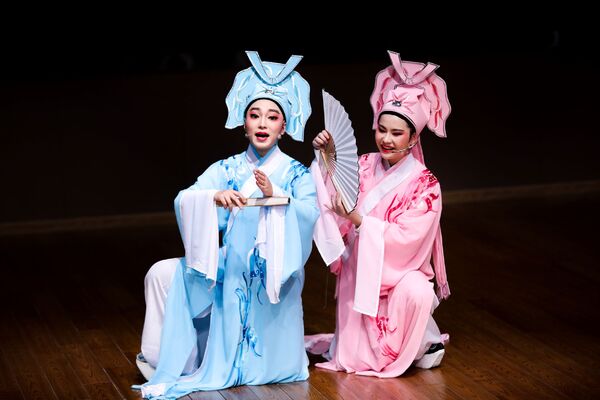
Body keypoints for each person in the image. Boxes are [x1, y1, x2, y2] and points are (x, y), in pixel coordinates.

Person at [134, 51, 319, 399]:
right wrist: (214, 197)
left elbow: (310, 215)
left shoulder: (296, 174)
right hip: (227, 264)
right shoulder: (226, 168)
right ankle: (166, 360)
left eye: (272, 117)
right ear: (244, 122)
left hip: (271, 273)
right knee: (161, 273)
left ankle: (255, 363)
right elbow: (185, 198)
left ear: (284, 126)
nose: (262, 123)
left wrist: (277, 196)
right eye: (254, 115)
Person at [306, 50, 451, 377]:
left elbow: (407, 239)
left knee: (417, 289)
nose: (386, 139)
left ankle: (420, 342)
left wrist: (359, 221)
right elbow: (331, 198)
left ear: (414, 137)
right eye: (381, 129)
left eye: (397, 133)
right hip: (359, 267)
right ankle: (409, 345)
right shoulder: (363, 164)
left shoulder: (426, 185)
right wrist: (326, 158)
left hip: (397, 274)